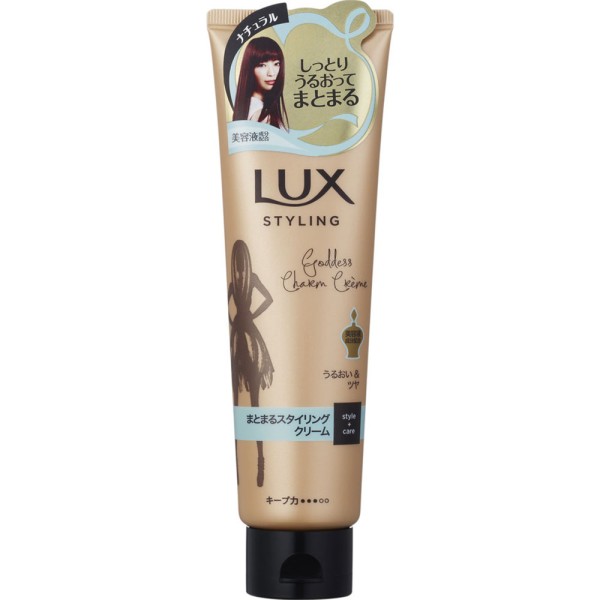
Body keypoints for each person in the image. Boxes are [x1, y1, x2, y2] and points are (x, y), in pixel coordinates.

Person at [233, 36, 288, 129]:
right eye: (262, 65)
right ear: (249, 69)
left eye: (276, 64)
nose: (271, 73)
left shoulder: (248, 107)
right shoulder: (262, 115)